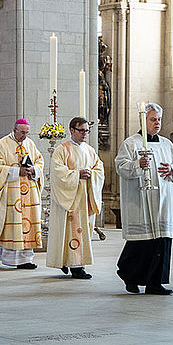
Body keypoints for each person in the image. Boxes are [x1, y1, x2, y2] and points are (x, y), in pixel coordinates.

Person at [115, 102, 173, 295]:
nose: (157, 123)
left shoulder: (167, 144)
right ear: (143, 120)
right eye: (153, 119)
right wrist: (138, 164)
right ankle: (130, 276)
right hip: (141, 201)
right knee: (141, 243)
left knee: (162, 242)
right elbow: (120, 166)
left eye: (159, 119)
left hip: (164, 199)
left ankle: (156, 283)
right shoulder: (131, 143)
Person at [0, 118, 44, 269]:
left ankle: (25, 259)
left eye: (27, 133)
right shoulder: (2, 144)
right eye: (22, 132)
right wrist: (16, 171)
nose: (24, 136)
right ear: (14, 129)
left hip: (28, 192)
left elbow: (40, 160)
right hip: (10, 193)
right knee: (6, 224)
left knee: (27, 225)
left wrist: (34, 170)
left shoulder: (30, 144)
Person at [46, 117, 105, 279]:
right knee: (69, 231)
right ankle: (72, 265)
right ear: (72, 130)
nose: (85, 134)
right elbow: (58, 173)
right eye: (82, 130)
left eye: (87, 130)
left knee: (82, 231)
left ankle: (77, 264)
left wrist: (92, 175)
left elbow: (99, 169)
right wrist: (76, 174)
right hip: (69, 199)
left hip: (85, 198)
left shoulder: (90, 150)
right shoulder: (62, 149)